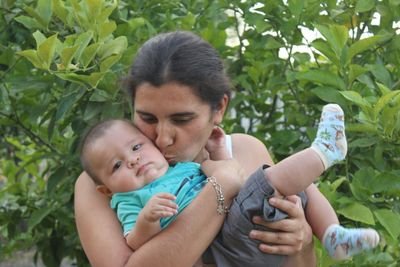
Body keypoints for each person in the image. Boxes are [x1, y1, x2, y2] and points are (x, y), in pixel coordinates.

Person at [75, 30, 316, 267]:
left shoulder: (246, 151)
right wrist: (219, 189)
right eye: (148, 118)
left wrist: (302, 243)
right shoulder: (102, 182)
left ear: (219, 108)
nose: (163, 139)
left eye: (181, 120)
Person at [79, 107, 379, 267]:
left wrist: (220, 153)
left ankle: (331, 234)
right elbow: (132, 240)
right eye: (117, 166)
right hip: (224, 245)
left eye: (136, 147)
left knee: (296, 186)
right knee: (270, 180)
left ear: (218, 107)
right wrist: (148, 220)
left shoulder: (180, 167)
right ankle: (324, 151)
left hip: (248, 234)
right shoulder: (129, 198)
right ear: (106, 189)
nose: (132, 161)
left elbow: (231, 176)